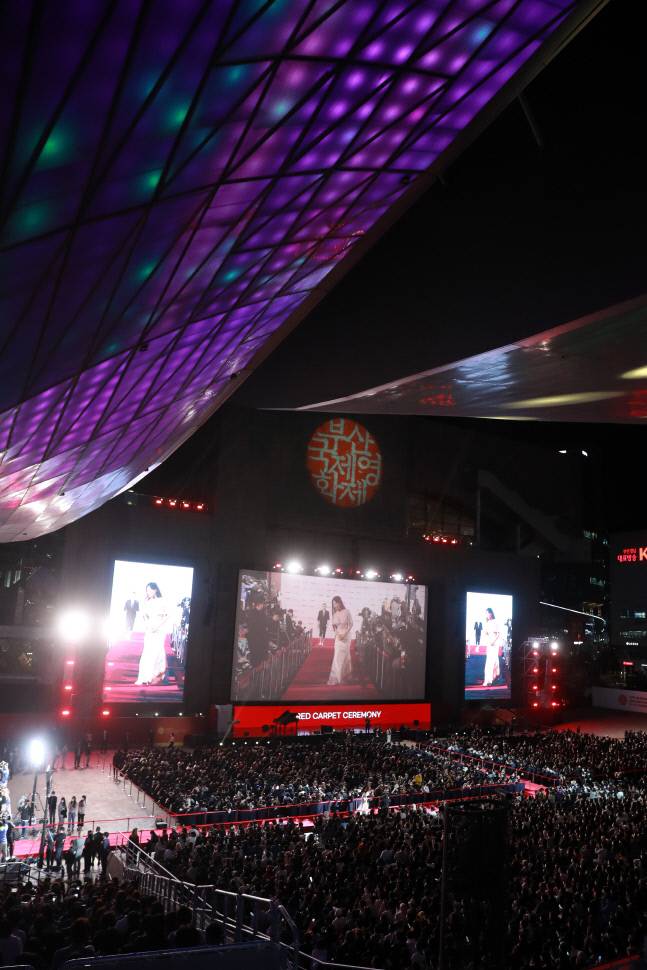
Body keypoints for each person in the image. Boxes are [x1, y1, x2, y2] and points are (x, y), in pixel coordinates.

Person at [135, 582, 168, 686]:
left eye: (150, 590)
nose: (148, 592)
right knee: (147, 652)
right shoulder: (146, 602)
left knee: (157, 652)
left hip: (159, 630)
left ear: (155, 590)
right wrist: (148, 625)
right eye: (147, 590)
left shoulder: (162, 601)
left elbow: (166, 615)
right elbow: (144, 616)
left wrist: (157, 626)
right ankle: (144, 677)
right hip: (149, 630)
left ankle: (155, 676)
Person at [327, 596, 354, 686]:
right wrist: (338, 635)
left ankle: (345, 677)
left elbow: (351, 624)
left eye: (336, 603)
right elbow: (335, 627)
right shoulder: (335, 614)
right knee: (337, 656)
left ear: (340, 602)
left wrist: (345, 633)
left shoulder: (347, 611)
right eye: (333, 604)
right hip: (338, 638)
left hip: (346, 637)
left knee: (346, 656)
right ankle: (337, 678)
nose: (335, 606)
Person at [482, 607, 502, 686]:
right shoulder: (487, 623)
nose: (486, 615)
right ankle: (494, 676)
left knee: (491, 661)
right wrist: (488, 640)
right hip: (489, 643)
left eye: (487, 613)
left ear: (491, 613)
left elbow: (498, 634)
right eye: (486, 613)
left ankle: (489, 680)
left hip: (494, 643)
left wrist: (493, 641)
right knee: (492, 660)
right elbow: (486, 633)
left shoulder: (495, 621)